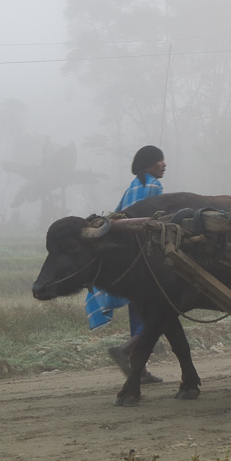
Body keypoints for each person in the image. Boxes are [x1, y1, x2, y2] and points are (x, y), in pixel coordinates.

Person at [84, 145, 167, 384]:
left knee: (139, 313)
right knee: (158, 315)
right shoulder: (154, 186)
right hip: (146, 260)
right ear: (149, 164)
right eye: (160, 160)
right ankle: (126, 350)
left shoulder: (133, 187)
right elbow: (156, 222)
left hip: (129, 259)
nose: (164, 165)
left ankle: (139, 370)